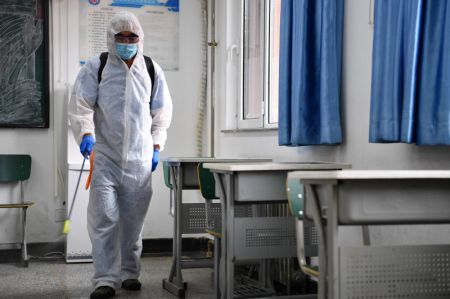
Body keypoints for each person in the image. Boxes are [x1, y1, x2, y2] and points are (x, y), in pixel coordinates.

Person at [68, 11, 172, 299]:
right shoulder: (96, 66)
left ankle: (129, 274)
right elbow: (81, 104)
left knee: (133, 222)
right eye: (121, 37)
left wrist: (156, 146)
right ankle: (104, 279)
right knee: (105, 220)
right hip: (106, 159)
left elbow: (161, 113)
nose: (127, 41)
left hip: (140, 161)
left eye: (132, 37)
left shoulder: (151, 69)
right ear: (111, 38)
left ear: (140, 39)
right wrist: (86, 133)